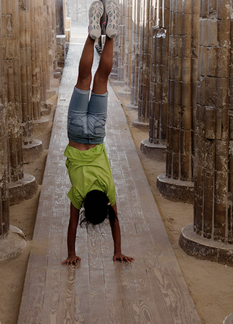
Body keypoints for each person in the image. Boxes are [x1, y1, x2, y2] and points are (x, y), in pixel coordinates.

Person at [62, 0, 134, 266]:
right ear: (83, 208)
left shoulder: (108, 191)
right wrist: (71, 253)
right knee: (83, 79)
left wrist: (119, 249)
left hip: (96, 133)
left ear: (104, 205)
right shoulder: (78, 194)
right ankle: (92, 37)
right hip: (77, 133)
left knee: (102, 79)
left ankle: (110, 35)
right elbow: (71, 227)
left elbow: (116, 222)